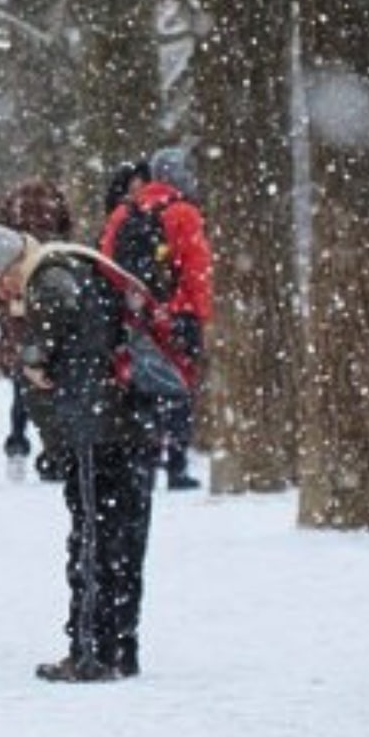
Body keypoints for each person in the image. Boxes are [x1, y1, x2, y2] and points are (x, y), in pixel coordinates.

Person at [12, 230, 154, 683]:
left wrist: (36, 356)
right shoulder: (88, 268)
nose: (1, 294)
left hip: (96, 427)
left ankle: (90, 651)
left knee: (92, 538)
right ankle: (122, 647)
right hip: (128, 421)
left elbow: (62, 319)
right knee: (124, 539)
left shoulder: (51, 278)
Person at [100, 152, 215, 490]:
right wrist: (199, 314)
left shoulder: (124, 212)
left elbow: (107, 264)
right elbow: (197, 269)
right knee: (178, 387)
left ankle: (142, 463)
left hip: (135, 315)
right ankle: (176, 466)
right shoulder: (185, 214)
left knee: (139, 389)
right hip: (176, 313)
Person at [0, 177, 74, 482]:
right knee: (43, 384)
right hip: (35, 320)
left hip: (19, 321)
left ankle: (19, 445)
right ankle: (49, 451)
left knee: (23, 387)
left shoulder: (9, 243)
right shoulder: (56, 247)